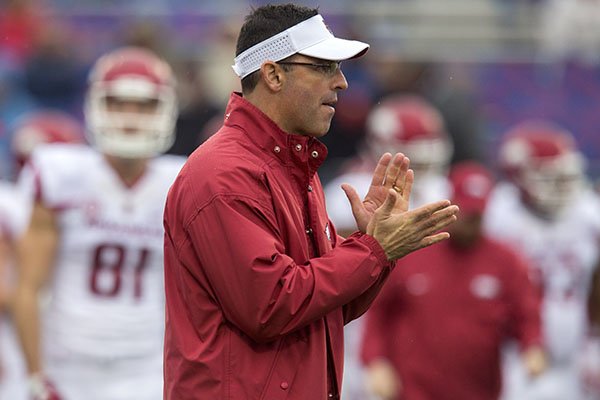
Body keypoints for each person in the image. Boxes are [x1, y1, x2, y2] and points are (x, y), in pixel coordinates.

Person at [162, 4, 459, 400]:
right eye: (323, 67)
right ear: (272, 74)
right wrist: (372, 251)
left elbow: (328, 308)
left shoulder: (293, 166)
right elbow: (270, 306)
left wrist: (375, 247)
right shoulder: (224, 173)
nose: (342, 83)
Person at [13, 46, 185, 400]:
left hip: (148, 365)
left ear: (166, 109)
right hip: (68, 364)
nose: (130, 116)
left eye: (144, 105)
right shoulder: (60, 172)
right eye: (118, 103)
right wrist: (35, 375)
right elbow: (27, 288)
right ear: (94, 105)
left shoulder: (182, 181)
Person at [359, 161, 546, 400]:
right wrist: (375, 361)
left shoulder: (506, 261)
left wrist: (532, 346)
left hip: (478, 391)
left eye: (476, 215)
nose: (469, 221)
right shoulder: (414, 249)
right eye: (465, 213)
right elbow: (379, 310)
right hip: (413, 391)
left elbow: (526, 314)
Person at [323, 93, 453, 400]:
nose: (420, 168)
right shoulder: (351, 189)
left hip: (419, 315)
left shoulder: (442, 189)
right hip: (362, 312)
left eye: (426, 158)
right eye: (413, 158)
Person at [483, 120, 600, 400]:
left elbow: (596, 281)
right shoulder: (498, 215)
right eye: (548, 178)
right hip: (513, 354)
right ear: (517, 177)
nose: (559, 187)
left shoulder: (588, 214)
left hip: (575, 353)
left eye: (564, 177)